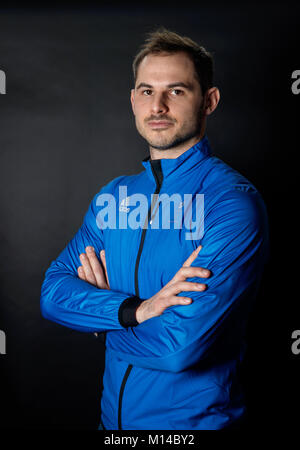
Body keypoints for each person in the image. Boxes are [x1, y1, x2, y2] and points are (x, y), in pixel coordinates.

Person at [40, 27, 269, 430]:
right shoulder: (114, 197)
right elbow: (52, 293)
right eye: (147, 91)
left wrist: (101, 320)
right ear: (133, 100)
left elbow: (180, 348)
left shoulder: (231, 203)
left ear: (209, 101)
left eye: (176, 91)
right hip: (112, 425)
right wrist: (134, 311)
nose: (158, 105)